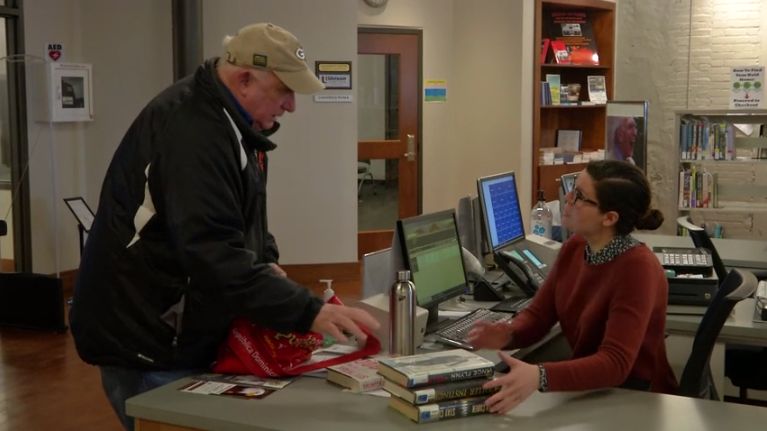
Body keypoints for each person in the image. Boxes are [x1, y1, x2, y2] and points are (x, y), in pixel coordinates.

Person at [69, 23, 379, 430]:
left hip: (175, 323)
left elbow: (243, 218)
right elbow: (211, 251)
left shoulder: (237, 124)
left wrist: (264, 260)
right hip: (147, 334)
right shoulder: (192, 131)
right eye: (284, 91)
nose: (291, 106)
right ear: (244, 78)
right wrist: (307, 312)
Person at [468, 160, 677, 415]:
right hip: (594, 393)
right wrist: (508, 334)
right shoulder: (576, 247)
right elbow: (539, 315)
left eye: (579, 196)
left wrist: (539, 376)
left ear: (609, 218)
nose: (568, 198)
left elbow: (616, 363)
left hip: (635, 399)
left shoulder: (637, 269)